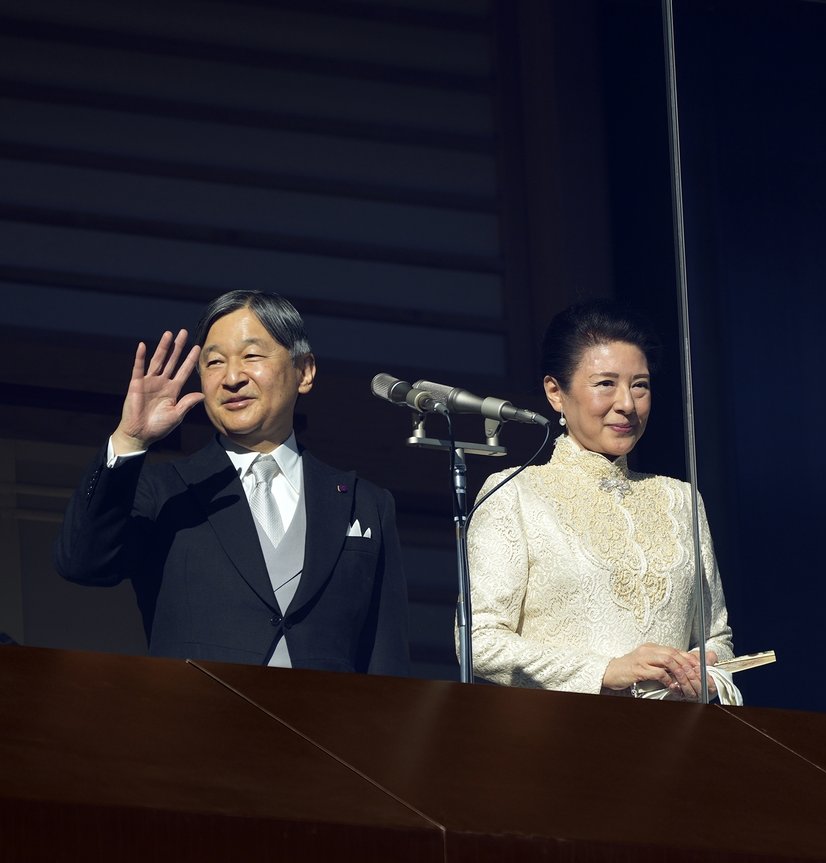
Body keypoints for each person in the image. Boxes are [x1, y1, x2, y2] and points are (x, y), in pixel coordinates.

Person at [54, 290, 411, 675]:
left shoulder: (365, 503)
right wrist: (129, 440)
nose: (232, 378)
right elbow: (82, 564)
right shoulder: (164, 488)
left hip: (325, 730)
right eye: (214, 362)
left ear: (304, 371)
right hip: (198, 724)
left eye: (252, 356)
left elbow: (385, 655)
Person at [465, 299, 736, 700]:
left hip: (675, 743)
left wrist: (707, 673)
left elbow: (717, 637)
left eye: (640, 385)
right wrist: (607, 670)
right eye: (605, 384)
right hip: (559, 740)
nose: (626, 403)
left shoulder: (679, 499)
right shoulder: (514, 493)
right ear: (556, 392)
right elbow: (477, 641)